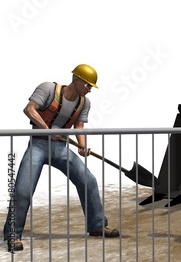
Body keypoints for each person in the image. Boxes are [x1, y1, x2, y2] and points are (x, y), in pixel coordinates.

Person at [3, 64, 119, 252]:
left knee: (88, 181)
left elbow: (78, 126)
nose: (90, 90)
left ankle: (97, 225)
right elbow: (29, 109)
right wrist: (47, 131)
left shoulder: (84, 103)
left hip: (60, 148)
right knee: (23, 190)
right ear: (77, 80)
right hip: (38, 144)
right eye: (88, 85)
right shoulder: (48, 89)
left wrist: (82, 145)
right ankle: (12, 235)